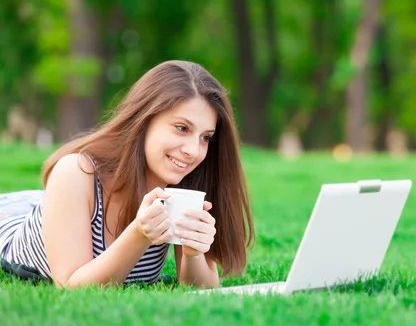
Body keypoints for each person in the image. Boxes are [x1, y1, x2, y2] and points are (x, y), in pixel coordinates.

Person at [0, 60, 254, 288]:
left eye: (205, 137)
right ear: (144, 119)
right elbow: (70, 287)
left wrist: (193, 252)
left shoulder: (183, 183)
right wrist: (138, 234)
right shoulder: (76, 173)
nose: (193, 151)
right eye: (181, 128)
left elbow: (201, 290)